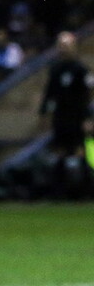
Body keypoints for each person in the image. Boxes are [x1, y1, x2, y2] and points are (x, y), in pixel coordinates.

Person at [39, 31, 94, 194]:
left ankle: (85, 190)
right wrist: (44, 113)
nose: (64, 49)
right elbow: (49, 93)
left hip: (77, 117)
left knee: (79, 151)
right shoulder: (55, 70)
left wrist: (88, 118)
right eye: (61, 45)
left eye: (67, 45)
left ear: (74, 47)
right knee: (60, 151)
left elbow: (87, 95)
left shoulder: (81, 70)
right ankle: (59, 191)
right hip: (60, 117)